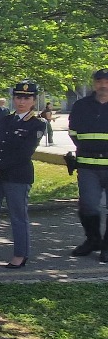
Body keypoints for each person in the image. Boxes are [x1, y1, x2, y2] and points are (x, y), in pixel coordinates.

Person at [0, 82, 47, 268]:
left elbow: (24, 152)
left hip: (17, 176)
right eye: (18, 97)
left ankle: (21, 255)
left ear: (33, 100)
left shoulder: (37, 123)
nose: (22, 101)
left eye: (26, 98)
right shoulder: (6, 120)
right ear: (13, 98)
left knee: (17, 216)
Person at [68, 68, 108, 262]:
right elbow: (73, 133)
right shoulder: (81, 106)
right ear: (94, 83)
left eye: (106, 81)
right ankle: (93, 240)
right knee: (88, 206)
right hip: (87, 165)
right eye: (99, 81)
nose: (103, 85)